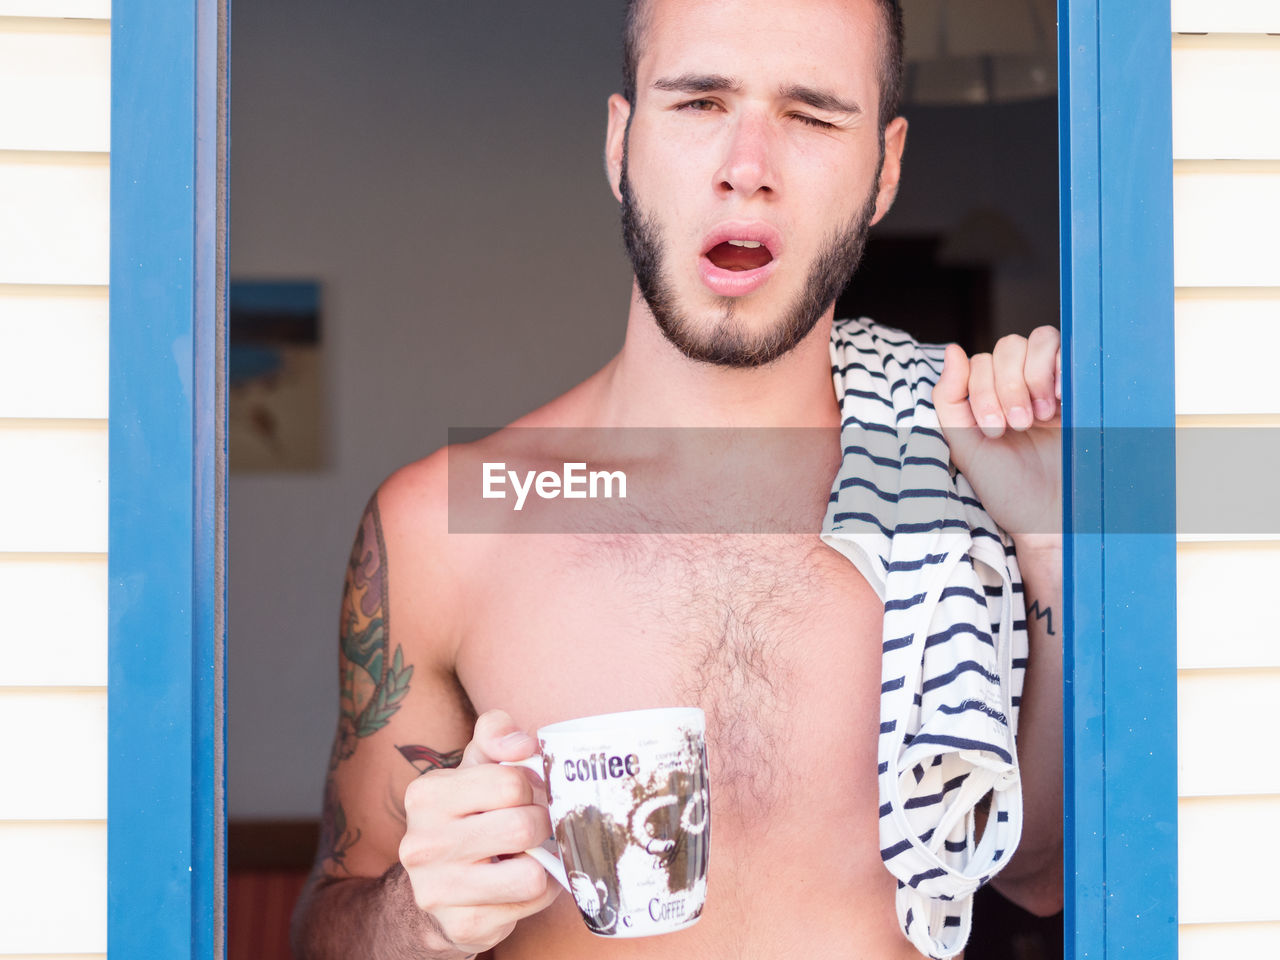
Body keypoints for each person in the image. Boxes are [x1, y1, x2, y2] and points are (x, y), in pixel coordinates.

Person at [290, 0, 1063, 957]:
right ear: (621, 144)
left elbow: (1044, 877)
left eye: (813, 116)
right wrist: (421, 913)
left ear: (886, 169)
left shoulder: (961, 489)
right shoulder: (445, 528)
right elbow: (329, 926)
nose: (748, 166)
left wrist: (1048, 540)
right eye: (699, 102)